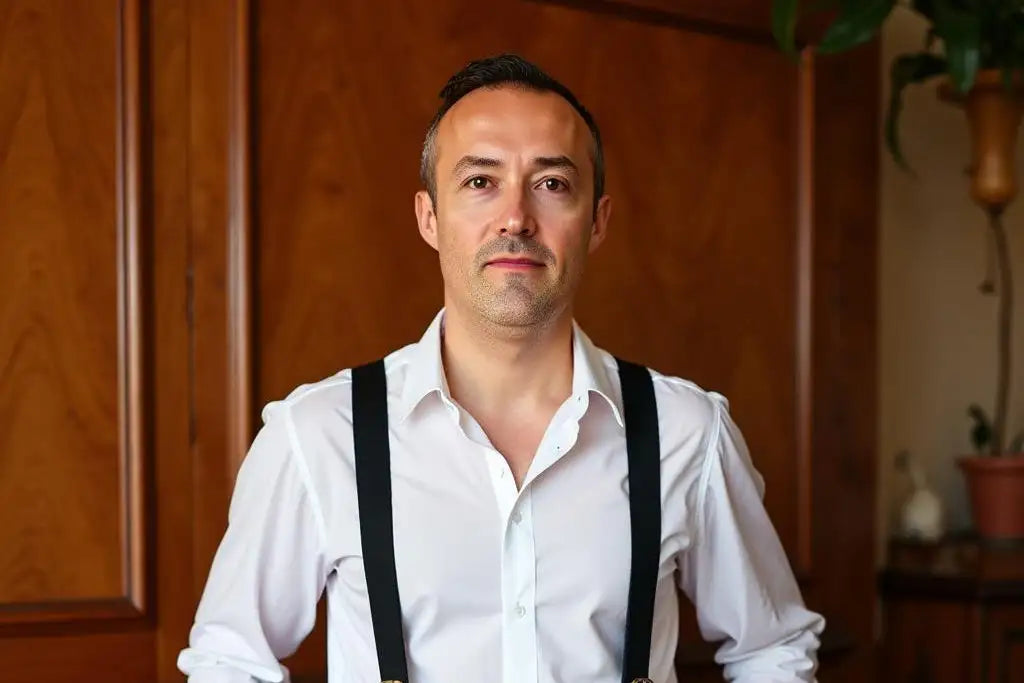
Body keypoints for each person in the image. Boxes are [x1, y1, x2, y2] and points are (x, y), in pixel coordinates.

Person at [178, 53, 825, 683]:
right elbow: (230, 661)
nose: (515, 217)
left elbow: (772, 649)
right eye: (480, 181)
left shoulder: (688, 431)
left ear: (596, 221)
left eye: (552, 183)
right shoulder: (319, 434)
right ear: (429, 216)